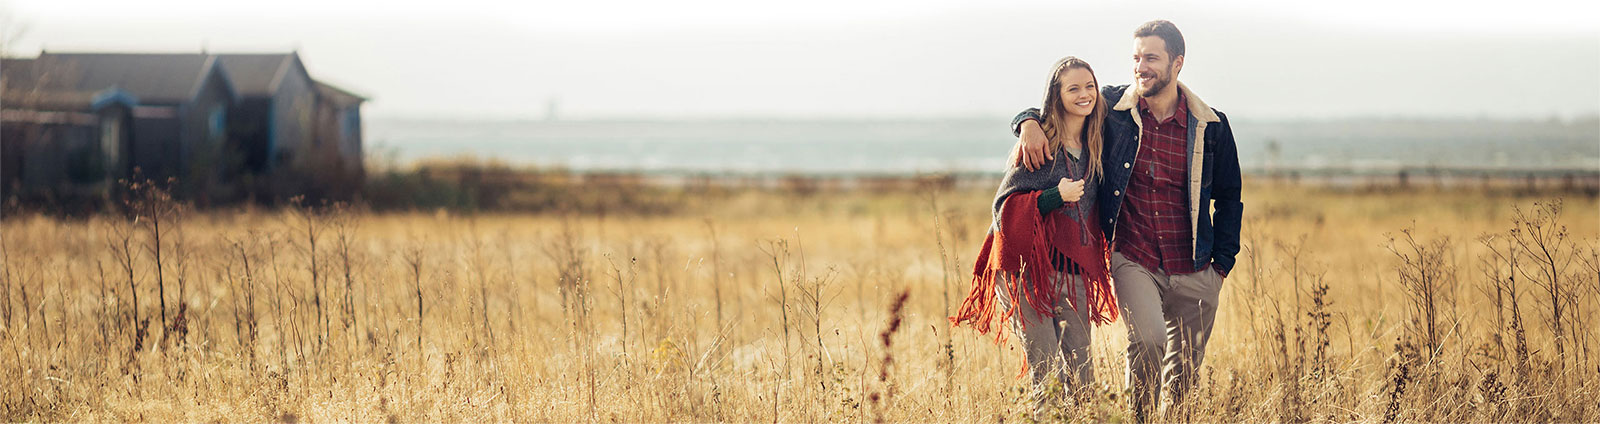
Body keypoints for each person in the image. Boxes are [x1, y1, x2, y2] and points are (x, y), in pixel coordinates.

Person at [1008, 20, 1243, 420]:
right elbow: (1066, 98)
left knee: (1185, 371)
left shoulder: (1211, 126)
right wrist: (1027, 122)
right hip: (1135, 257)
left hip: (1196, 266)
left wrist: (1221, 265)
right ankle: (1140, 418)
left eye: (1151, 57)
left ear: (1177, 63)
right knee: (1149, 341)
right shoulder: (1116, 109)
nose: (1141, 67)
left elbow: (1230, 197)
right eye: (1136, 58)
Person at [951, 56, 1117, 405]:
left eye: (1089, 86)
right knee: (1047, 377)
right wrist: (1055, 196)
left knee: (1082, 377)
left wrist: (1025, 119)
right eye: (1073, 88)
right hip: (1030, 276)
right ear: (1056, 96)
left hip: (1074, 274)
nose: (1084, 94)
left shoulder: (1097, 141)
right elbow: (1004, 208)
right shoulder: (1041, 147)